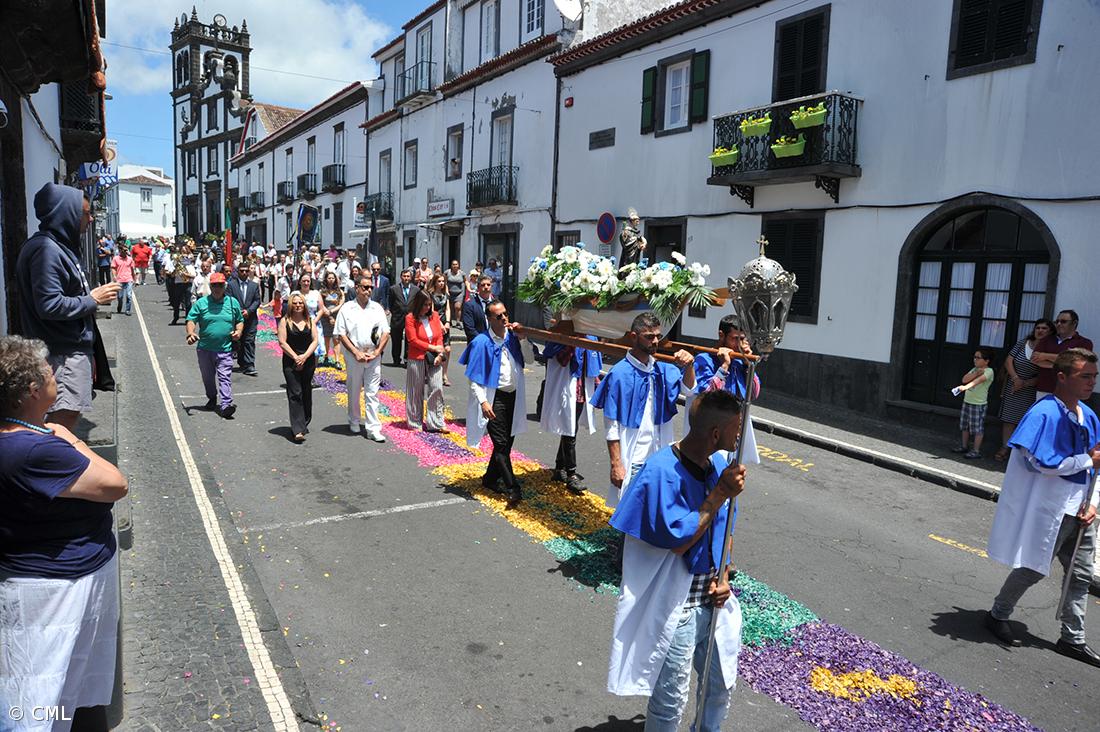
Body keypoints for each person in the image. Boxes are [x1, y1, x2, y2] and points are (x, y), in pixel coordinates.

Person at [0, 335, 129, 731]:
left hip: (56, 583)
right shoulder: (39, 448)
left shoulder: (23, 437)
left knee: (71, 685)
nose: (56, 375)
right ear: (33, 390)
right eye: (48, 371)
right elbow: (115, 483)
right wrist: (70, 437)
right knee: (43, 690)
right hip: (57, 592)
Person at [607, 390, 748, 732]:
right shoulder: (659, 471)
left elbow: (727, 523)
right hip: (676, 606)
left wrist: (725, 575)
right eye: (736, 428)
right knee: (670, 701)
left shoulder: (717, 467)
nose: (741, 435)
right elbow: (679, 542)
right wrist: (718, 495)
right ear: (715, 434)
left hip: (713, 599)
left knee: (718, 687)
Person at [984, 348, 1100, 667]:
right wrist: (1086, 460)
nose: (1091, 382)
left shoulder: (1089, 415)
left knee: (1081, 574)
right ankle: (998, 613)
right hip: (1053, 508)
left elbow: (1097, 468)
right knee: (1034, 568)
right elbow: (1038, 462)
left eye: (1094, 376)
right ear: (1062, 377)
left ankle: (1072, 638)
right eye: (1084, 376)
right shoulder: (1042, 413)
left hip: (1083, 510)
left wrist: (1093, 504)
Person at [15, 183, 119, 430]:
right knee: (63, 420)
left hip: (65, 349)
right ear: (66, 214)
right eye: (85, 213)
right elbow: (49, 305)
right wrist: (93, 299)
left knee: (64, 417)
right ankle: (54, 467)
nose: (91, 219)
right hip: (62, 354)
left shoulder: (57, 246)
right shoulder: (46, 250)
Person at [592, 312, 696, 508]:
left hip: (660, 453)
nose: (655, 341)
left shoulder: (662, 369)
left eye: (658, 336)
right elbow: (611, 424)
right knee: (631, 512)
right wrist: (616, 464)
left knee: (657, 509)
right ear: (633, 337)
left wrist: (690, 365)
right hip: (634, 457)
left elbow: (689, 389)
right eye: (649, 337)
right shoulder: (619, 373)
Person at [460, 299, 527, 505]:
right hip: (494, 397)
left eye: (505, 313)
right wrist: (483, 402)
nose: (505, 318)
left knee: (508, 441)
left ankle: (490, 478)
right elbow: (474, 377)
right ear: (489, 319)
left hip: (513, 395)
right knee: (501, 443)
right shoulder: (481, 342)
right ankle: (512, 488)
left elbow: (530, 361)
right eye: (499, 316)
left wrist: (523, 339)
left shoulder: (513, 338)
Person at [686, 315, 762, 465]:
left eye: (743, 339)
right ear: (722, 335)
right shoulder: (704, 359)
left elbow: (753, 394)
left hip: (734, 427)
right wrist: (724, 366)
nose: (740, 345)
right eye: (735, 339)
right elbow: (706, 396)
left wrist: (748, 365)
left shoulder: (741, 361)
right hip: (711, 428)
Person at [540, 337, 603, 495]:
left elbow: (592, 365)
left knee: (570, 429)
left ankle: (559, 467)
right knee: (570, 430)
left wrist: (597, 383)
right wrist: (572, 343)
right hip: (568, 387)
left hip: (582, 389)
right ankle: (571, 474)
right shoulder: (564, 335)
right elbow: (559, 359)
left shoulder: (591, 336)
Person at [336, 276, 390, 442]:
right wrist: (355, 352)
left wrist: (377, 352)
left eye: (370, 288)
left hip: (373, 355)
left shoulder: (377, 308)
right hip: (354, 355)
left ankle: (373, 428)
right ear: (357, 288)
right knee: (354, 389)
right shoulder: (347, 308)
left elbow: (385, 332)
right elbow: (341, 333)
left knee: (372, 392)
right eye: (365, 287)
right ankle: (354, 419)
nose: (368, 291)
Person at [185, 272, 243, 418]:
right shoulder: (201, 303)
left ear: (224, 286)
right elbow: (191, 319)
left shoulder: (232, 302)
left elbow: (239, 320)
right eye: (214, 285)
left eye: (220, 285)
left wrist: (238, 331)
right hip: (205, 349)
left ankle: (226, 405)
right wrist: (191, 333)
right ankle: (212, 397)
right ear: (210, 286)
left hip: (225, 349)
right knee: (208, 378)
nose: (217, 288)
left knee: (225, 377)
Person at [996, 319, 1054, 461]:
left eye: (1044, 328)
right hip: (1013, 385)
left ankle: (1019, 452)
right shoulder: (1023, 343)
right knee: (1009, 419)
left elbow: (1044, 372)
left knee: (1025, 421)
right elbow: (1009, 361)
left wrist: (1026, 383)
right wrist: (1016, 379)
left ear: (1051, 331)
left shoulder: (1048, 350)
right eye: (1037, 328)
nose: (1040, 330)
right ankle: (1005, 447)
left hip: (1031, 389)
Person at [405, 290, 449, 433]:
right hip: (417, 357)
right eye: (424, 305)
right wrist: (432, 347)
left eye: (429, 305)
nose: (427, 308)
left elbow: (439, 338)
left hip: (435, 357)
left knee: (437, 388)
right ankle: (414, 422)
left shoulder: (435, 316)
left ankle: (436, 422)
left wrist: (439, 353)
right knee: (415, 390)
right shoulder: (410, 318)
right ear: (418, 304)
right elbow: (412, 340)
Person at [277, 293, 318, 442]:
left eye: (300, 303)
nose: (298, 305)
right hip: (290, 361)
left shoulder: (310, 321)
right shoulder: (284, 321)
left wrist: (305, 356)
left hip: (308, 360)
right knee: (295, 392)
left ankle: (304, 420)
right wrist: (295, 357)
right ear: (290, 305)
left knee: (306, 391)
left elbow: (315, 341)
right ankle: (297, 429)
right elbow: (282, 342)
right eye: (295, 303)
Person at [1032, 310, 1093, 399]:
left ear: (1074, 323)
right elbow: (1034, 359)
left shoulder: (1084, 343)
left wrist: (1045, 356)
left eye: (1063, 321)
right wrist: (1063, 364)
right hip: (1044, 389)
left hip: (1069, 391)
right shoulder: (1046, 339)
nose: (1059, 324)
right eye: (1057, 321)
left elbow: (1078, 363)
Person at [952, 347, 995, 459]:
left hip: (978, 404)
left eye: (978, 357)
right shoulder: (974, 369)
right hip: (967, 401)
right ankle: (964, 446)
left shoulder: (989, 371)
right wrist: (975, 373)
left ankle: (976, 450)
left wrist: (965, 388)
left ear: (986, 360)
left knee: (977, 428)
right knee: (964, 425)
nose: (975, 359)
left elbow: (977, 382)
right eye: (974, 357)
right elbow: (965, 379)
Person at [227, 262, 261, 377]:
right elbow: (229, 300)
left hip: (250, 319)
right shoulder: (231, 285)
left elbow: (257, 300)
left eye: (247, 270)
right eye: (242, 271)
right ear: (238, 271)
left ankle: (250, 364)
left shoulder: (254, 285)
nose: (245, 273)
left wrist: (249, 311)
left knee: (249, 341)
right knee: (239, 340)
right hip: (237, 319)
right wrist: (239, 312)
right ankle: (242, 362)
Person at [388, 269, 419, 367]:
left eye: (408, 276)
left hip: (411, 318)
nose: (406, 278)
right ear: (401, 277)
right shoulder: (393, 289)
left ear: (411, 278)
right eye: (404, 276)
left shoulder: (416, 290)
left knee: (409, 340)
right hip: (397, 318)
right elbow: (391, 303)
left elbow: (417, 303)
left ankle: (407, 359)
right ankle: (396, 359)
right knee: (396, 339)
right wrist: (395, 312)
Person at [427, 273, 454, 386]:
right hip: (434, 324)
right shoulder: (431, 295)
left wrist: (447, 322)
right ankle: (431, 372)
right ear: (435, 282)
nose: (441, 283)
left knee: (447, 349)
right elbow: (432, 312)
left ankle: (444, 374)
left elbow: (447, 309)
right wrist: (440, 324)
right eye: (439, 281)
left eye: (443, 281)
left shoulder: (445, 295)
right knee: (435, 349)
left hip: (445, 324)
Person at [318, 271, 346, 368]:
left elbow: (341, 303)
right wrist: (328, 314)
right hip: (325, 317)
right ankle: (326, 356)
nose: (331, 280)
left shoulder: (339, 292)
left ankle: (337, 360)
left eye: (333, 278)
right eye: (329, 278)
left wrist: (333, 311)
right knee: (326, 338)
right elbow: (321, 305)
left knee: (336, 339)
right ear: (326, 279)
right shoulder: (322, 292)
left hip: (337, 317)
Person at [462, 275, 495, 343]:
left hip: (494, 344)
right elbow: (469, 329)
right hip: (477, 344)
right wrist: (484, 341)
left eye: (488, 285)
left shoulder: (497, 304)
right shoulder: (469, 305)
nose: (486, 287)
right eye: (483, 285)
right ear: (478, 287)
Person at [111, 241, 135, 316]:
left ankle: (128, 310)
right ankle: (119, 305)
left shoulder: (130, 259)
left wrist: (135, 279)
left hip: (129, 279)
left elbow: (132, 269)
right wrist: (114, 276)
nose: (125, 252)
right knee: (120, 296)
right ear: (120, 250)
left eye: (126, 250)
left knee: (129, 295)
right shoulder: (116, 259)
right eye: (124, 250)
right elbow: (113, 268)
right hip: (120, 280)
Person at [446, 260, 466, 326]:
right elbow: (444, 282)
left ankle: (458, 321)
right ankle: (450, 320)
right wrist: (446, 291)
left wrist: (469, 289)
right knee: (450, 307)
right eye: (453, 264)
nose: (455, 266)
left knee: (457, 307)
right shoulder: (447, 272)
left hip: (459, 293)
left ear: (458, 265)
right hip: (450, 293)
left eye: (456, 264)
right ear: (451, 265)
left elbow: (465, 282)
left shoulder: (462, 273)